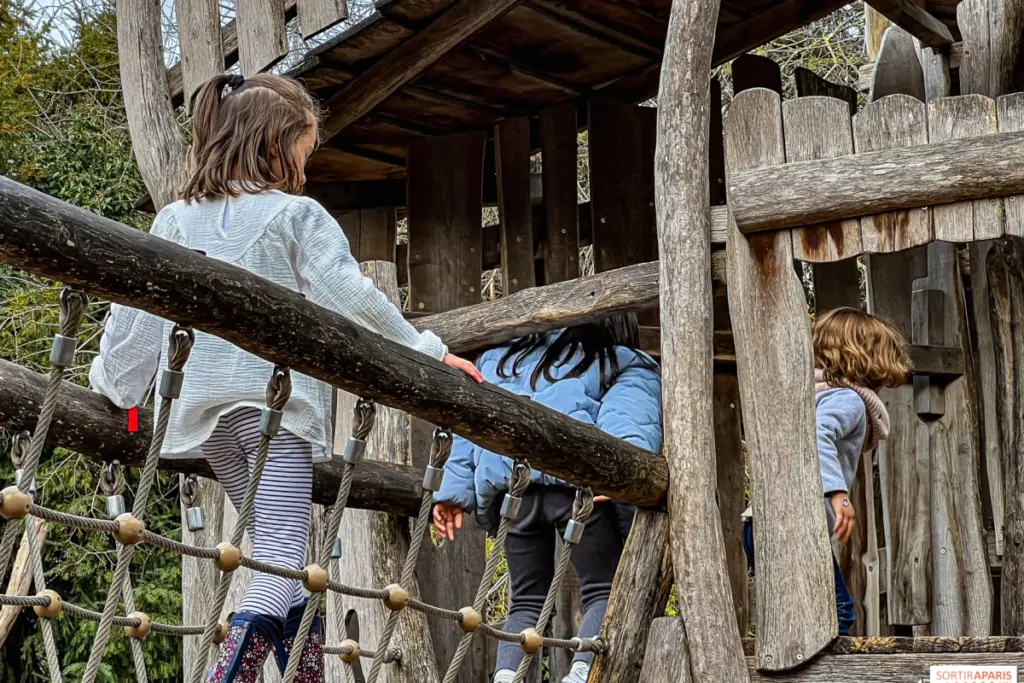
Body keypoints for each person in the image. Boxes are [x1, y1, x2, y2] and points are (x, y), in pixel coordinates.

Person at [88, 72, 482, 683]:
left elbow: (136, 316)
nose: (304, 167)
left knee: (281, 552)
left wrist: (116, 389)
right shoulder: (296, 216)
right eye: (302, 151)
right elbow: (352, 297)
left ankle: (304, 675)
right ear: (274, 144)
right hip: (274, 414)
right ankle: (227, 678)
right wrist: (427, 351)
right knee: (278, 558)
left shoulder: (174, 221)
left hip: (205, 419)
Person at [432, 314, 662, 683]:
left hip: (514, 494)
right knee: (603, 588)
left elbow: (469, 426)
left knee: (525, 599)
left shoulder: (499, 359)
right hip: (579, 492)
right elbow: (628, 420)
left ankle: (506, 676)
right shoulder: (620, 361)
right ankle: (583, 672)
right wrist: (616, 479)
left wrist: (453, 493)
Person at [740, 307, 910, 635]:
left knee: (794, 617)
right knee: (839, 612)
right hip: (793, 523)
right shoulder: (849, 399)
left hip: (761, 522)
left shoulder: (808, 396)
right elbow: (820, 435)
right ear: (871, 360)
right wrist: (838, 495)